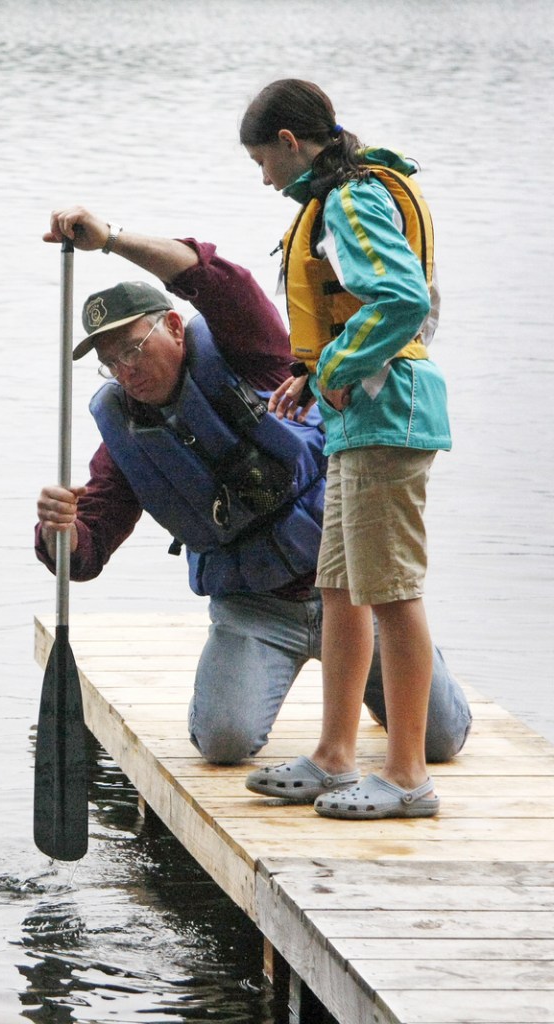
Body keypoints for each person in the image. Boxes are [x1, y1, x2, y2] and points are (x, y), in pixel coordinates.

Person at [35, 205, 472, 774]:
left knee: (442, 741)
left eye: (132, 348)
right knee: (222, 742)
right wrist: (57, 530)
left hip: (350, 596)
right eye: (109, 362)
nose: (125, 370)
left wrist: (112, 239)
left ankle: (399, 684)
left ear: (170, 325)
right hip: (254, 609)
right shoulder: (126, 438)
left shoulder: (251, 355)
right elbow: (85, 556)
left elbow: (218, 280)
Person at [239, 79, 455, 819]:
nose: (265, 178)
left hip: (387, 415)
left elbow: (400, 298)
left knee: (391, 590)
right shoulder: (342, 193)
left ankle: (405, 776)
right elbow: (358, 308)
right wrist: (310, 373)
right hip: (358, 419)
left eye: (263, 160)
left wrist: (331, 369)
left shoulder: (350, 198)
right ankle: (336, 755)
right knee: (340, 585)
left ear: (292, 145)